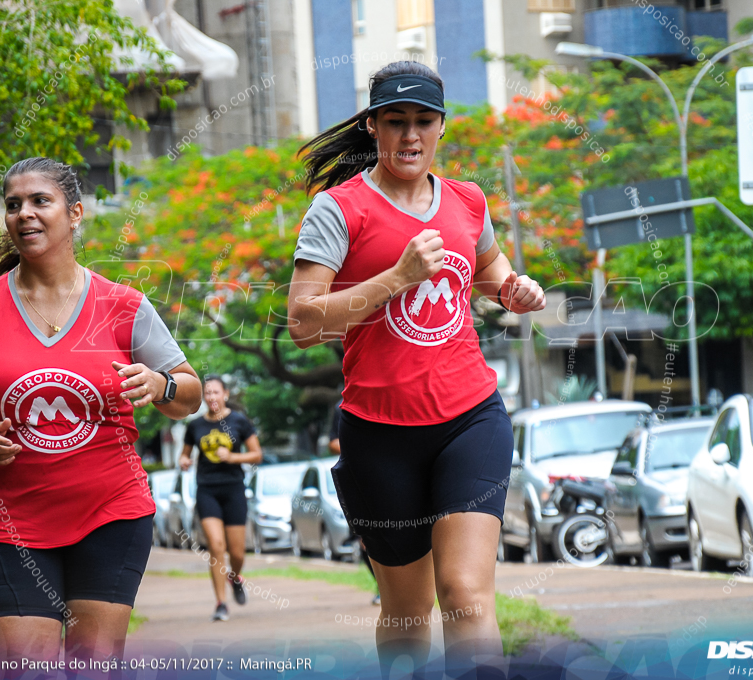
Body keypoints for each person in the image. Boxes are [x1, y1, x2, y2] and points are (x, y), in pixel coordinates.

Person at [288, 61, 546, 677]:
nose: (410, 136)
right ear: (373, 127)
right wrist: (397, 276)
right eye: (395, 122)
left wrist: (514, 289)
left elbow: (490, 275)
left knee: (465, 593)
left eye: (423, 122)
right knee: (407, 614)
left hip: (469, 418)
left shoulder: (466, 200)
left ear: (441, 128)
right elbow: (303, 323)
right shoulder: (338, 210)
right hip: (380, 432)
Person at [0, 157, 202, 676]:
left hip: (110, 512)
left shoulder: (123, 306)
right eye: (13, 205)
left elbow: (190, 392)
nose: (24, 214)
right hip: (13, 523)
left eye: (39, 201)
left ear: (74, 214)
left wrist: (160, 384)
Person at [179, 375, 263, 621]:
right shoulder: (194, 426)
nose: (212, 397)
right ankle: (220, 604)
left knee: (237, 553)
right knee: (216, 546)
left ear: (225, 394)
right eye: (207, 393)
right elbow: (184, 455)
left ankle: (235, 577)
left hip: (234, 489)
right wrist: (184, 461)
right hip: (207, 490)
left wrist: (233, 457)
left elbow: (257, 454)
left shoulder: (239, 421)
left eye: (216, 392)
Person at [328, 400, 380, 606]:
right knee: (365, 540)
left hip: (388, 473)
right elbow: (333, 442)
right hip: (358, 480)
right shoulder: (341, 406)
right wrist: (357, 448)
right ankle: (382, 584)